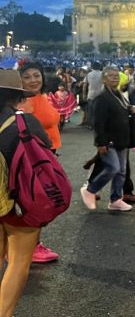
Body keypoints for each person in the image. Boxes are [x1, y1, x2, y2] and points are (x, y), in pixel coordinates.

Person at [0, 68, 52, 317]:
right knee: (19, 261)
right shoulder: (25, 121)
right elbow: (47, 152)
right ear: (14, 96)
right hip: (19, 201)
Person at [16, 63, 63, 264]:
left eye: (37, 75)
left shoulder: (41, 97)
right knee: (35, 201)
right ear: (20, 81)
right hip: (33, 158)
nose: (34, 80)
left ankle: (30, 245)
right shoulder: (24, 102)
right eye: (27, 77)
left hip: (46, 154)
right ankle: (29, 247)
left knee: (38, 201)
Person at [79, 66, 135, 212]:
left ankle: (116, 199)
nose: (115, 78)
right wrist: (100, 142)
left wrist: (130, 109)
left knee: (121, 170)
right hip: (109, 140)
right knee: (113, 167)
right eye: (111, 76)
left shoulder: (118, 94)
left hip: (121, 139)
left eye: (116, 75)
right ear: (104, 78)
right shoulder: (101, 97)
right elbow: (98, 122)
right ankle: (90, 190)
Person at [85, 62, 103, 129]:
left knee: (91, 111)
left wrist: (84, 94)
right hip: (100, 94)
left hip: (91, 94)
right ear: (99, 67)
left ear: (92, 67)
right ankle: (99, 124)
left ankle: (90, 125)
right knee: (100, 111)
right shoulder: (102, 74)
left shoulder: (89, 74)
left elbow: (85, 84)